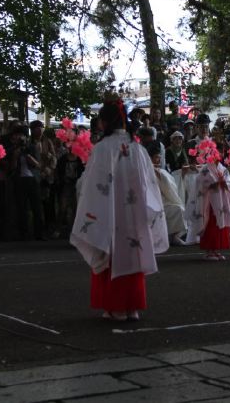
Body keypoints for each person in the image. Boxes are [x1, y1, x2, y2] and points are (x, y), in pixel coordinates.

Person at [71, 99, 169, 322]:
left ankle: (114, 306)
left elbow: (91, 185)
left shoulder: (102, 149)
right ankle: (131, 306)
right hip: (133, 214)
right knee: (132, 253)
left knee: (110, 252)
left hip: (109, 212)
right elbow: (148, 184)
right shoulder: (137, 149)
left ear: (104, 122)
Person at [184, 148, 230, 260]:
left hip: (222, 201)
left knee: (220, 225)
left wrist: (224, 183)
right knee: (210, 224)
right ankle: (209, 250)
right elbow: (199, 184)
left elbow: (229, 184)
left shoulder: (223, 168)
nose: (217, 156)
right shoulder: (205, 169)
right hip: (209, 203)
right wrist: (211, 186)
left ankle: (216, 249)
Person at [146, 142, 187, 246]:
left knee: (178, 209)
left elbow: (170, 188)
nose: (158, 160)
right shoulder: (144, 171)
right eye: (156, 158)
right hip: (149, 203)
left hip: (164, 201)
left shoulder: (161, 171)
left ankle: (173, 236)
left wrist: (159, 175)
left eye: (159, 157)